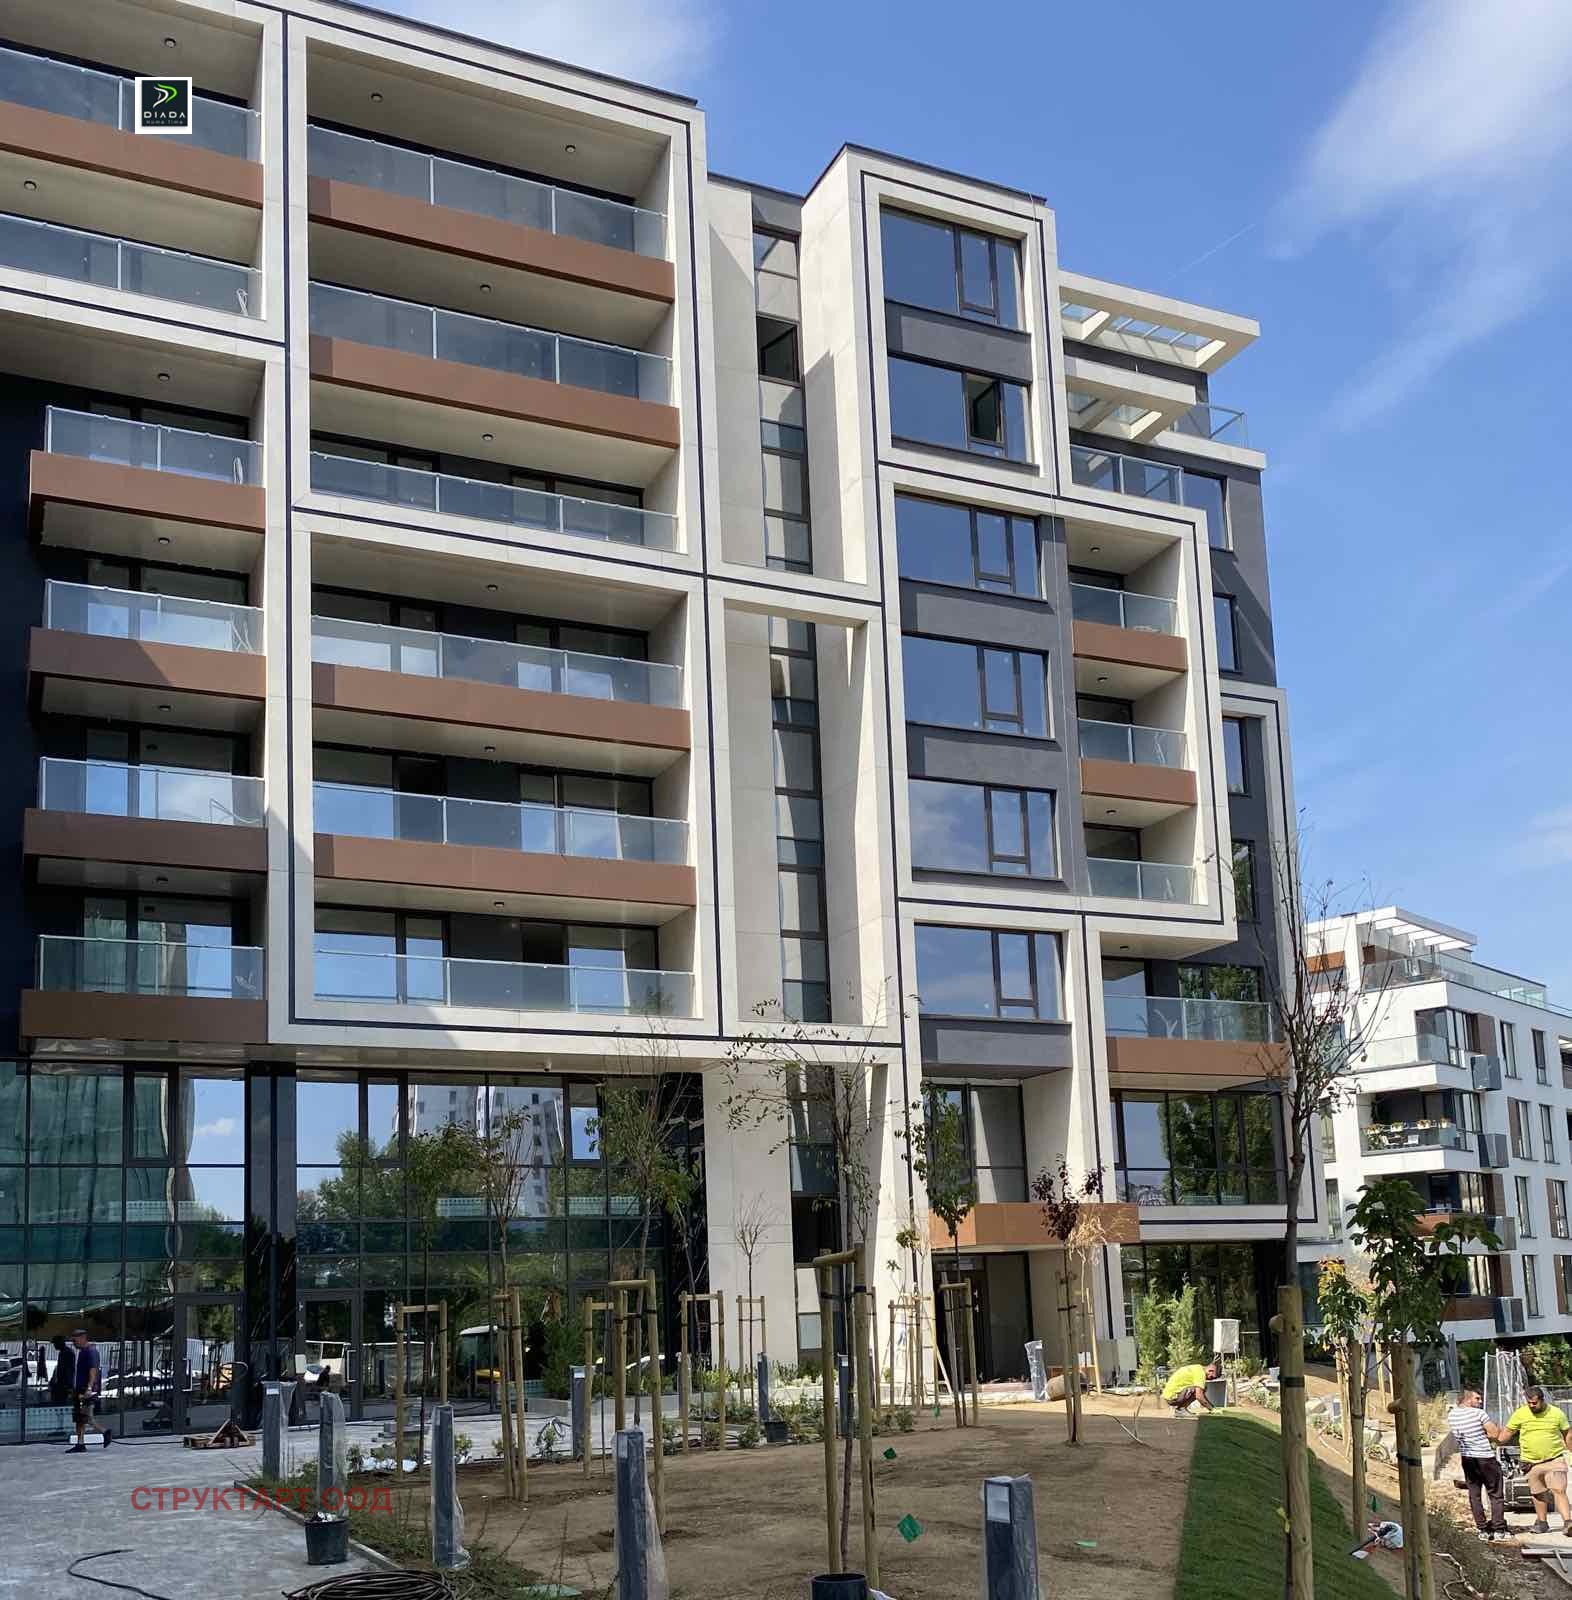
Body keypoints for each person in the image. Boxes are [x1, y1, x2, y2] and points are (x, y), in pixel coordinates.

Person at [1498, 1384, 1572, 1534]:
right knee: (1538, 1493)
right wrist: (1495, 1438)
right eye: (1529, 1403)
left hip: (1554, 1459)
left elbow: (1567, 1434)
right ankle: (1542, 1523)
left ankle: (1568, 1522)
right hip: (1531, 1462)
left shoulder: (1556, 1413)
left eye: (1534, 1403)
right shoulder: (1520, 1414)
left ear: (1542, 1400)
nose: (1531, 1405)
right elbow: (1507, 1432)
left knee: (1558, 1489)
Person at [1445, 1385, 1507, 1540]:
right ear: (1467, 1400)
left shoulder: (1452, 1415)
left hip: (1467, 1458)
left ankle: (1482, 1529)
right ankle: (1499, 1529)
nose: (1480, 1401)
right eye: (1477, 1398)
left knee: (1474, 1494)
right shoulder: (1479, 1413)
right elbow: (1495, 1434)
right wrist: (1488, 1432)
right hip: (1485, 1457)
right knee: (1496, 1493)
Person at [67, 1329, 111, 1452]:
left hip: (86, 1390)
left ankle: (105, 1432)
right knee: (80, 1418)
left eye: (75, 1341)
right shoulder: (83, 1352)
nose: (74, 1344)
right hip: (80, 1389)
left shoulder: (91, 1352)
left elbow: (93, 1370)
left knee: (85, 1417)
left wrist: (89, 1388)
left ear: (83, 1338)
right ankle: (80, 1443)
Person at [47, 1337, 75, 1407]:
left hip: (64, 1385)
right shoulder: (63, 1352)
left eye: (55, 1344)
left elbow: (67, 1370)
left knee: (61, 1405)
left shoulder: (67, 1353)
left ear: (59, 1343)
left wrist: (68, 1386)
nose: (54, 1346)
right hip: (62, 1384)